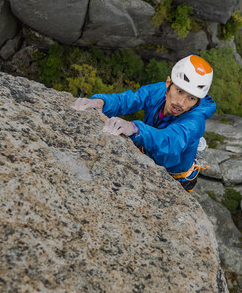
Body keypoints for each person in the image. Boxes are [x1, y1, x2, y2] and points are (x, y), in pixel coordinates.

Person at [73, 55, 216, 192]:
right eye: (179, 91)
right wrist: (101, 102)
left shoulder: (195, 121)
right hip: (151, 152)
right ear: (168, 83)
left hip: (176, 175)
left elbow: (170, 142)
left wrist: (135, 128)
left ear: (197, 102)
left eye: (191, 98)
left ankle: (192, 149)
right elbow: (130, 99)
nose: (181, 102)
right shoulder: (158, 91)